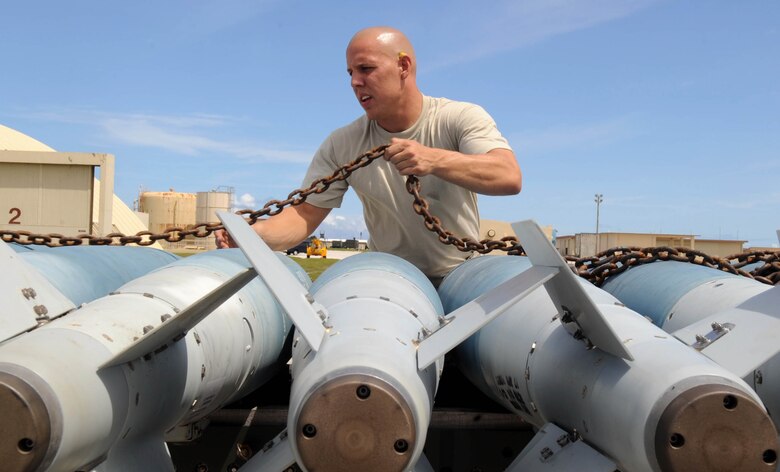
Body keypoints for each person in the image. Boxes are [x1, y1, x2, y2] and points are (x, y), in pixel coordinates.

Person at [216, 26, 521, 286]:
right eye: (350, 72)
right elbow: (305, 215)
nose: (354, 82)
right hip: (391, 278)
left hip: (460, 276)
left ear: (403, 66)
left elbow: (508, 175)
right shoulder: (342, 143)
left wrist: (435, 160)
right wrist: (253, 234)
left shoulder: (459, 117)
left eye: (366, 69)